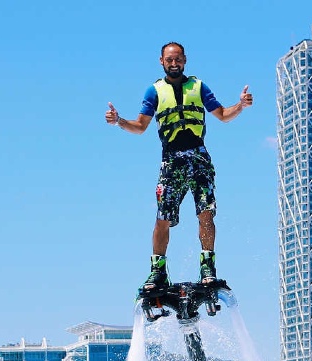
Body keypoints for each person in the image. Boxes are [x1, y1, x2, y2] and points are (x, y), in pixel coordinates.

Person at [105, 42, 253, 290]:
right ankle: (158, 271)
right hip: (171, 160)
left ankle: (207, 267)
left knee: (206, 213)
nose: (174, 64)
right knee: (162, 217)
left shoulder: (198, 86)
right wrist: (119, 120)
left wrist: (240, 105)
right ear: (161, 62)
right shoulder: (154, 91)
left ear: (185, 60)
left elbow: (223, 115)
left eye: (178, 60)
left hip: (198, 157)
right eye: (169, 60)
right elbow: (140, 126)